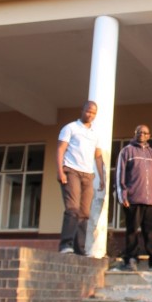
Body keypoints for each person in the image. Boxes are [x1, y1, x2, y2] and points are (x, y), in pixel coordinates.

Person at [57, 100, 105, 255]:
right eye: (88, 111)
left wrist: (102, 178)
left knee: (84, 213)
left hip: (88, 175)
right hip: (71, 171)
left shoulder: (95, 134)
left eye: (94, 113)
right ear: (82, 110)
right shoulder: (70, 128)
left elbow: (98, 157)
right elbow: (61, 149)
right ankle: (66, 245)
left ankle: (79, 249)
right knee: (72, 209)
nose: (90, 115)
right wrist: (60, 171)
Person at [115, 124, 152, 271]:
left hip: (150, 201)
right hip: (133, 199)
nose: (142, 134)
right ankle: (130, 260)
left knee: (151, 232)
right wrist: (123, 196)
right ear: (135, 133)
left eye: (145, 133)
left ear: (149, 136)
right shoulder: (127, 151)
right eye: (139, 132)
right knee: (132, 231)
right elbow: (119, 175)